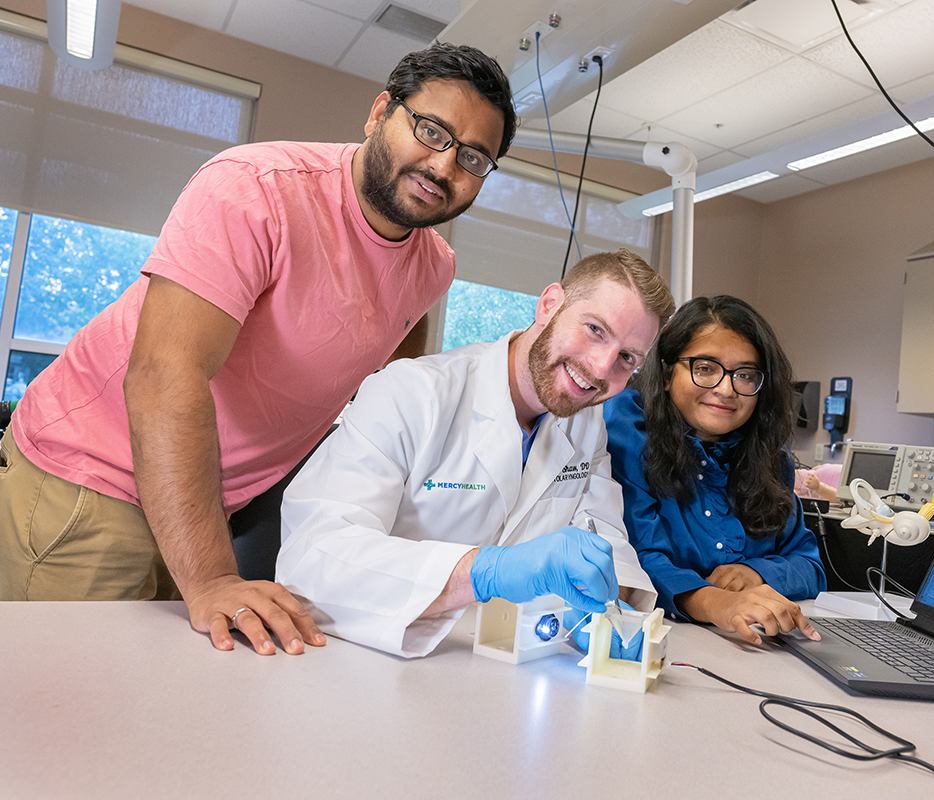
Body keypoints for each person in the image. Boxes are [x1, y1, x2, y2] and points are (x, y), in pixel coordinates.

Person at [0, 44, 516, 659]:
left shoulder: (433, 267)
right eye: (431, 130)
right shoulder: (255, 191)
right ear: (380, 112)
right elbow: (165, 376)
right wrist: (215, 577)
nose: (443, 165)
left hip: (205, 507)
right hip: (92, 480)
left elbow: (393, 367)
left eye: (474, 156)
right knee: (68, 724)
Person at [275, 251, 675, 658]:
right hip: (370, 659)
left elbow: (603, 538)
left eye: (627, 358)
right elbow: (313, 557)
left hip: (501, 666)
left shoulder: (585, 423)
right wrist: (486, 572)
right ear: (549, 304)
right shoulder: (410, 393)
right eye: (594, 329)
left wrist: (609, 610)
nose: (601, 368)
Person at [603, 295, 826, 645]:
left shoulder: (771, 461)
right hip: (660, 643)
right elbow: (634, 560)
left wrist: (756, 573)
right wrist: (717, 601)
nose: (726, 389)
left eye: (746, 375)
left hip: (757, 647)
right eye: (705, 368)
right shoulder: (628, 435)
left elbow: (809, 565)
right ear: (665, 373)